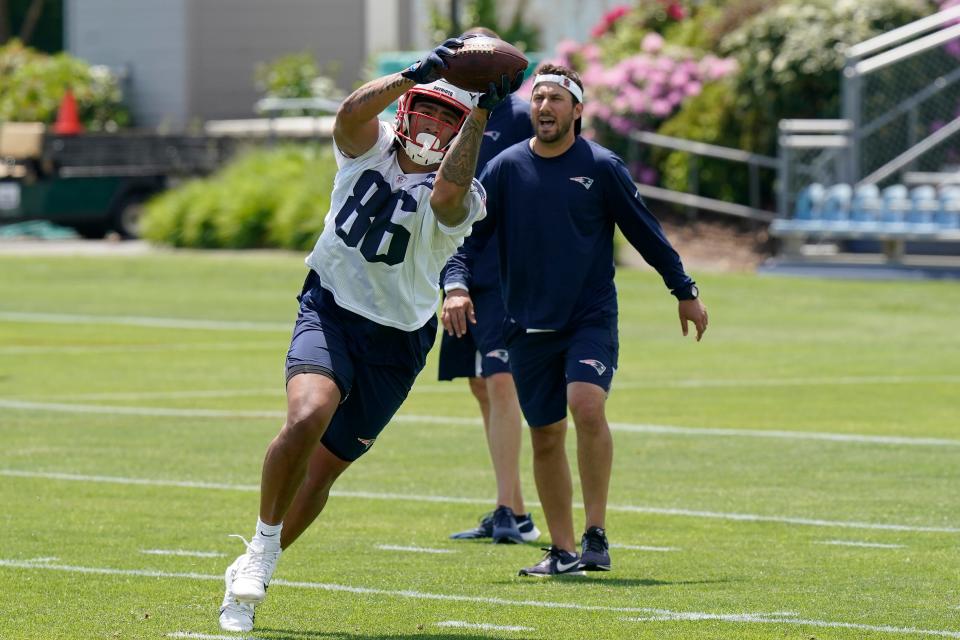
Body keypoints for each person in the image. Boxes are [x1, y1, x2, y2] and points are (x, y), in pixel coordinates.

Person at [218, 38, 522, 632]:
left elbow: (448, 196)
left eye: (447, 115)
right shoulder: (372, 146)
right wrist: (417, 73)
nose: (433, 121)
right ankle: (259, 544)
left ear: (463, 128)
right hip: (330, 305)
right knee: (307, 415)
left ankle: (265, 557)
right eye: (427, 108)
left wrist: (482, 110)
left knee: (323, 472)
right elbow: (349, 116)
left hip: (398, 338)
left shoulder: (470, 191)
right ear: (408, 109)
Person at [441, 63, 708, 576]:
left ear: (577, 110)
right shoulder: (504, 168)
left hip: (588, 317)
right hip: (525, 325)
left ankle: (596, 534)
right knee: (545, 435)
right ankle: (563, 551)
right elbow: (464, 238)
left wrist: (684, 291)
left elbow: (646, 233)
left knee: (585, 405)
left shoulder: (602, 166)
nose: (544, 107)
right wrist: (454, 285)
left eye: (556, 99)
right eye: (538, 98)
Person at [439, 27, 540, 545]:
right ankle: (514, 507)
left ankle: (507, 509)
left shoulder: (522, 117)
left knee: (501, 382)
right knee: (481, 385)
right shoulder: (449, 114)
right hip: (457, 267)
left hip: (505, 273)